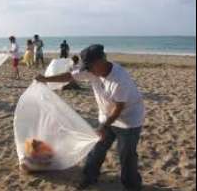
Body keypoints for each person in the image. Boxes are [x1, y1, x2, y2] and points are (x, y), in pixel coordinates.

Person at [36, 44, 144, 191]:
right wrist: (45, 79)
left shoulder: (120, 80)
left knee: (127, 155)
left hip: (129, 120)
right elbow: (69, 76)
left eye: (90, 67)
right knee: (97, 149)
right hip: (107, 116)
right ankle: (89, 177)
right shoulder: (92, 71)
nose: (88, 71)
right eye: (86, 67)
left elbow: (119, 108)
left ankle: (132, 186)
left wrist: (103, 127)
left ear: (101, 61)